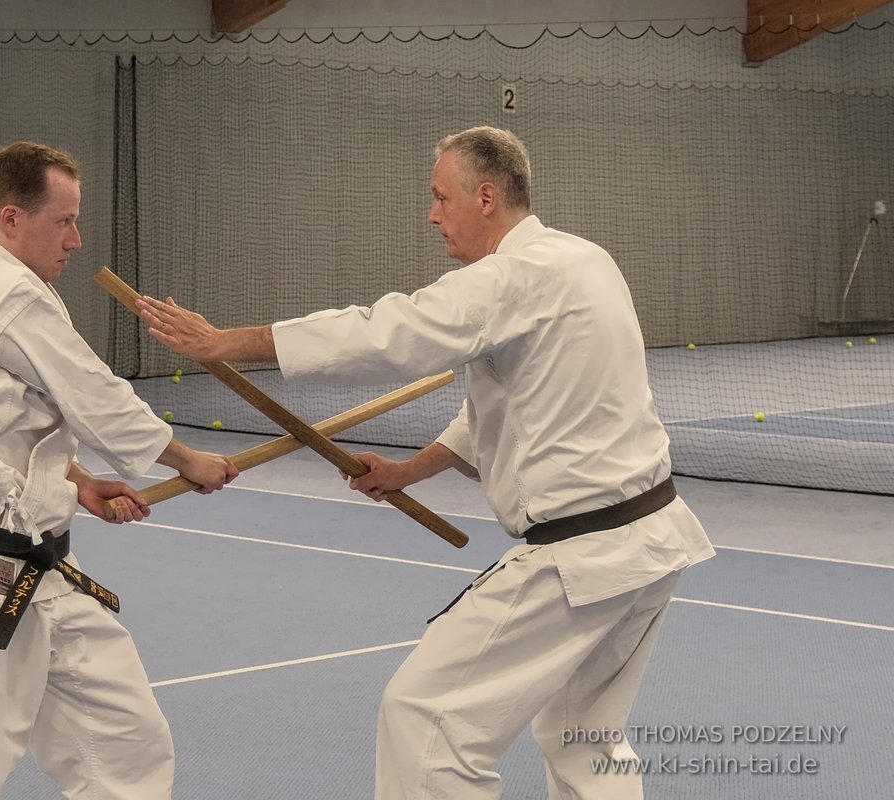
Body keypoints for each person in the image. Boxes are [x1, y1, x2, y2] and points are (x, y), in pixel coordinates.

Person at [137, 127, 715, 799]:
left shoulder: (513, 277)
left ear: (487, 196)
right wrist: (411, 471)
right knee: (582, 736)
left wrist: (224, 342)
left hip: (580, 557)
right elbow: (516, 402)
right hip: (650, 542)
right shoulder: (585, 261)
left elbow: (390, 333)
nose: (432, 214)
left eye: (441, 198)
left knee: (424, 717)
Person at [0, 141, 237, 800]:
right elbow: (94, 394)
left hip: (41, 569)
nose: (77, 240)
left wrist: (76, 481)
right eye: (64, 221)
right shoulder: (2, 290)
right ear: (10, 220)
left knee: (124, 740)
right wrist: (187, 459)